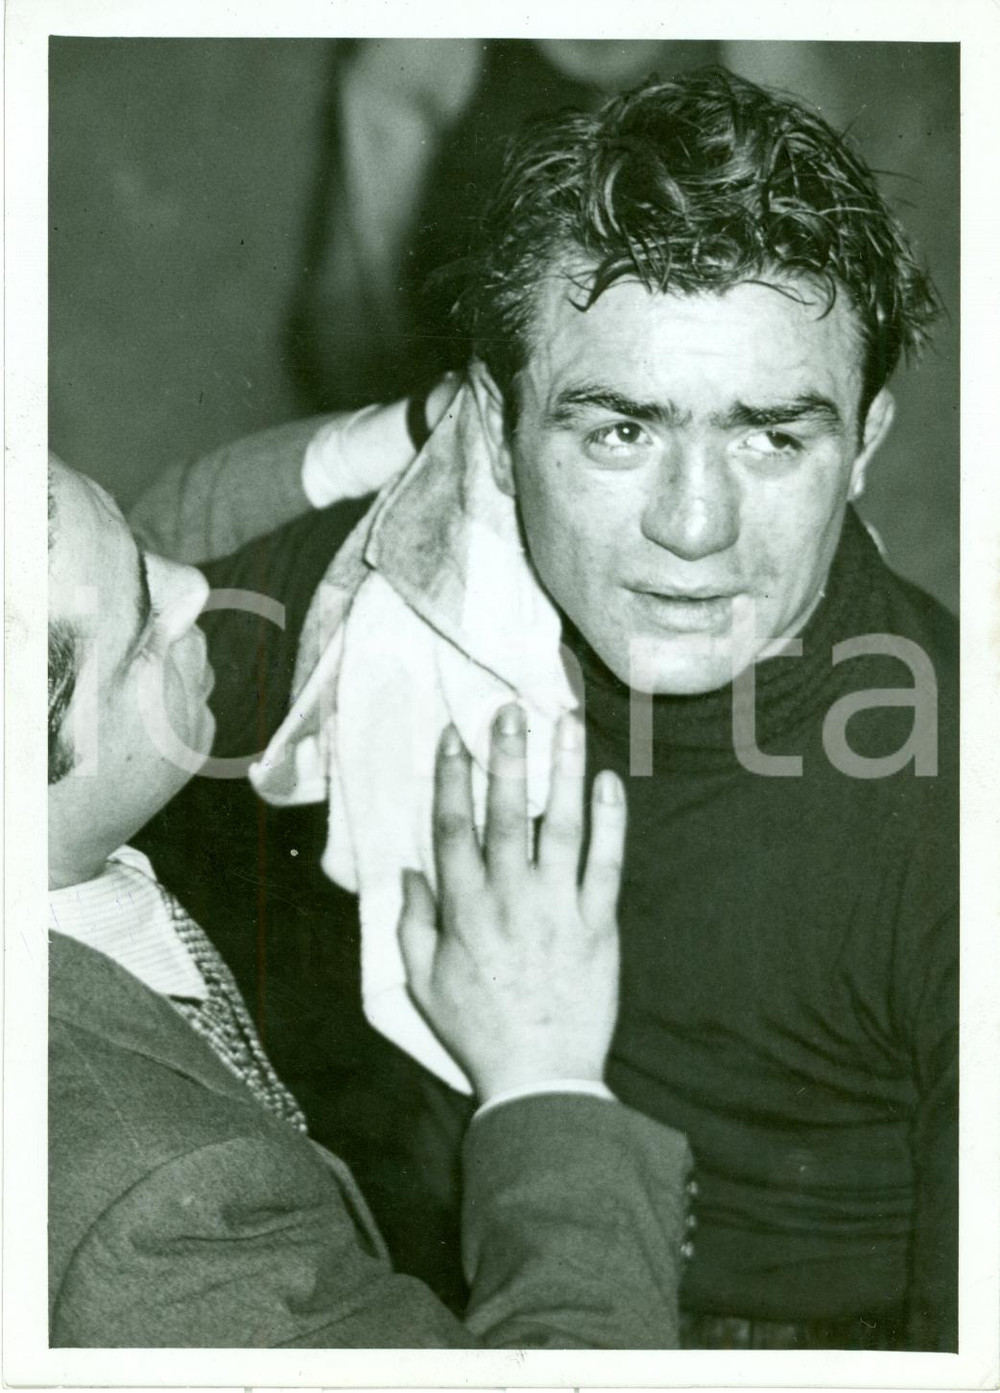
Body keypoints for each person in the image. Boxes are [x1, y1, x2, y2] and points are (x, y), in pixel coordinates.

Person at [134, 68, 957, 1350]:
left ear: (866, 442)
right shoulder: (425, 589)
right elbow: (110, 603)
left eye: (771, 438)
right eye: (618, 432)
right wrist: (393, 436)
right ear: (498, 427)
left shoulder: (957, 825)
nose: (693, 530)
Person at [46, 455, 694, 1348]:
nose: (196, 585)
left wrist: (419, 428)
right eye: (146, 623)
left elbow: (172, 522)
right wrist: (544, 1074)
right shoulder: (151, 1212)